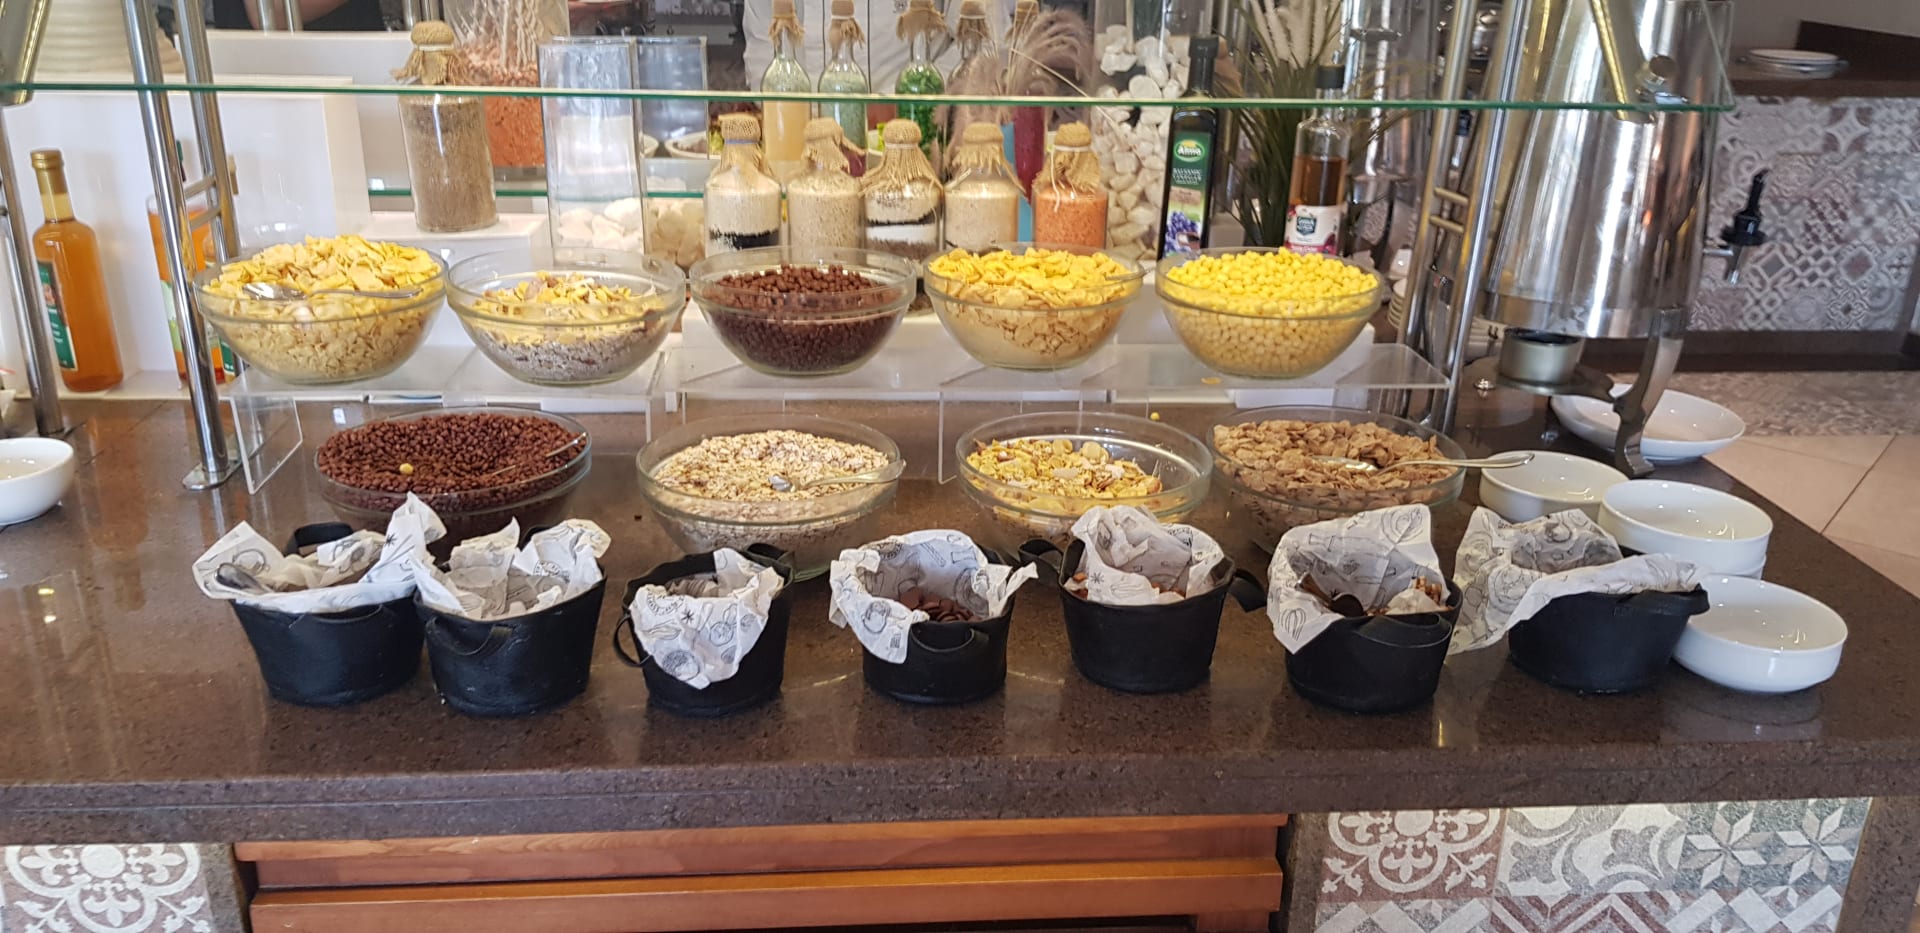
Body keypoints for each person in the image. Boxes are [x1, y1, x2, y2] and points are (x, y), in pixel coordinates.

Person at [741, 0, 973, 94]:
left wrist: (909, 98)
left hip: (915, 129)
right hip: (801, 139)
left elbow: (978, 43)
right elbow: (762, 50)